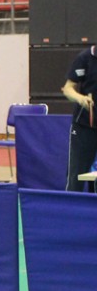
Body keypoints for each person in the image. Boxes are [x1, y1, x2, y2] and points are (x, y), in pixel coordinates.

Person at [61, 45, 97, 191]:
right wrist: (80, 98)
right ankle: (70, 205)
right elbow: (68, 89)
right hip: (84, 126)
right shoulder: (85, 58)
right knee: (76, 177)